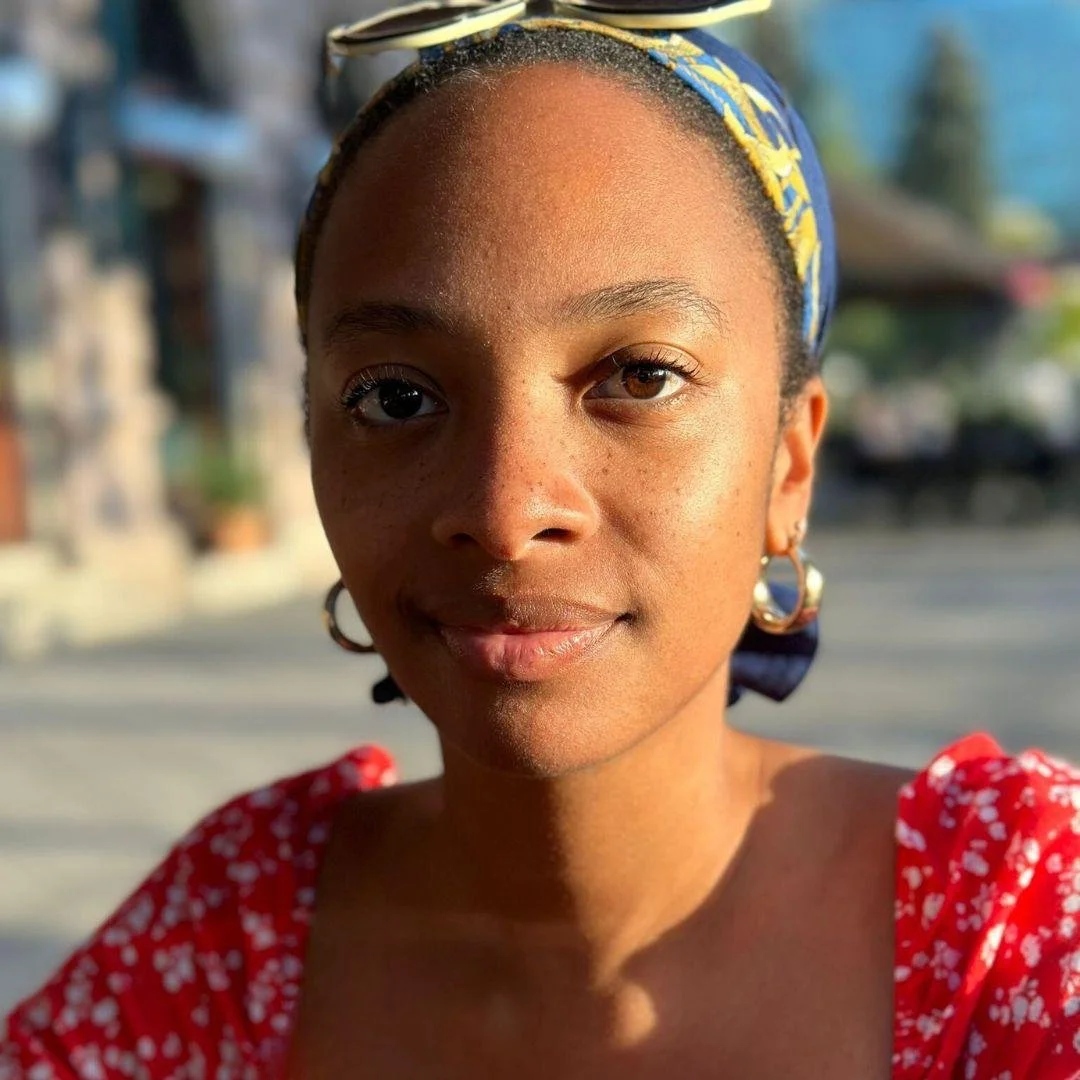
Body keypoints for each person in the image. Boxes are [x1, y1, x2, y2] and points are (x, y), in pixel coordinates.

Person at [3, 6, 1079, 1078]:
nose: (507, 508)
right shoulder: (226, 945)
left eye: (639, 377)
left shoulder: (1019, 929)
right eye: (394, 396)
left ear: (788, 467)